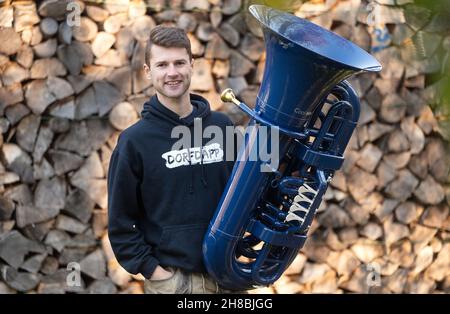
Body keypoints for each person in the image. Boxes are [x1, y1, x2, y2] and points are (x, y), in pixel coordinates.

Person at [107, 25, 240, 294]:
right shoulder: (134, 142)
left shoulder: (223, 128)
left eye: (180, 62)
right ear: (148, 71)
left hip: (229, 278)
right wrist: (158, 275)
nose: (172, 73)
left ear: (192, 65)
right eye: (162, 64)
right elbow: (121, 224)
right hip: (174, 284)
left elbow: (247, 195)